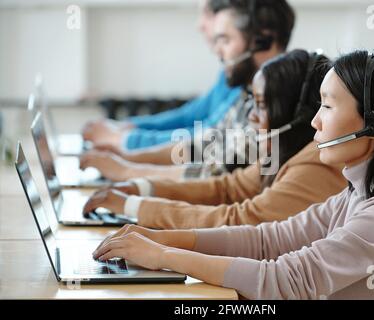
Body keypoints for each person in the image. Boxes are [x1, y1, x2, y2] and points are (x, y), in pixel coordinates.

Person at [91, 50, 374, 300]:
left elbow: (284, 280)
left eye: (328, 106)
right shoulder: (356, 195)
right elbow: (267, 240)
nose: (315, 121)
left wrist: (164, 256)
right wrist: (162, 239)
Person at [82, 49, 347, 229]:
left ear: (299, 116)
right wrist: (140, 188)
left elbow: (240, 219)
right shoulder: (281, 152)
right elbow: (228, 188)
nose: (252, 117)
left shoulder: (314, 164)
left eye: (261, 106)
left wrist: (135, 206)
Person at [80, 0, 296, 180]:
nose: (218, 51)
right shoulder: (247, 93)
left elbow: (222, 176)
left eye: (226, 40)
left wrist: (130, 169)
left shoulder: (277, 101)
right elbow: (204, 144)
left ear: (263, 40)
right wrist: (131, 157)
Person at [81, 0, 242, 150]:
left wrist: (125, 140)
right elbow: (190, 117)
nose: (199, 25)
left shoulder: (247, 76)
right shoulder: (229, 71)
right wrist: (130, 127)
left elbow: (208, 140)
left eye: (207, 14)